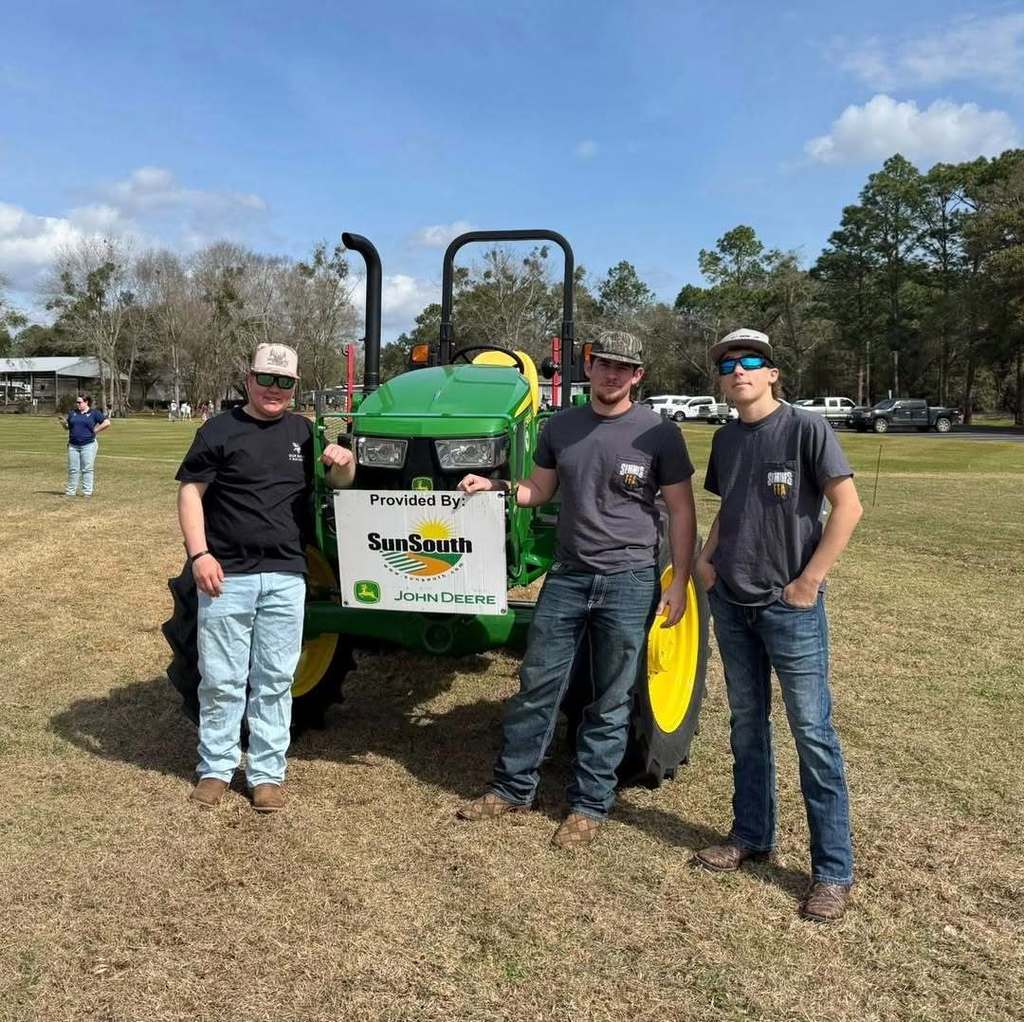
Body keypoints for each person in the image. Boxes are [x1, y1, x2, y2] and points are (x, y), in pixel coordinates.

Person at [456, 330, 697, 848]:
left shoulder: (659, 434)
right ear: (590, 368)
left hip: (630, 579)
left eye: (623, 368)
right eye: (603, 363)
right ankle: (513, 787)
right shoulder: (561, 428)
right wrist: (495, 486)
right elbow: (539, 490)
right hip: (567, 576)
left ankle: (589, 804)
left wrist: (677, 581)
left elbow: (681, 509)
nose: (611, 374)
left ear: (638, 377)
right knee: (537, 684)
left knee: (611, 698)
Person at [693, 327, 863, 923]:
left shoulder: (807, 428)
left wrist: (809, 581)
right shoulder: (725, 440)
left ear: (772, 374)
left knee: (812, 733)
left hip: (789, 609)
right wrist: (704, 561)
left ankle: (832, 872)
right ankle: (751, 836)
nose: (738, 370)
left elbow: (848, 506)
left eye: (751, 361)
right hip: (732, 604)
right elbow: (729, 508)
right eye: (728, 364)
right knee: (746, 725)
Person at [175, 343, 355, 813]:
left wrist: (344, 460)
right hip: (227, 573)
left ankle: (266, 773)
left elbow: (339, 484)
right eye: (266, 379)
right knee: (221, 678)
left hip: (286, 576)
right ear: (249, 379)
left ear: (295, 386)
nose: (274, 390)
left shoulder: (304, 432)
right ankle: (215, 768)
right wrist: (200, 555)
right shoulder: (218, 430)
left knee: (275, 678)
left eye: (285, 382)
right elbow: (191, 493)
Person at [58, 393, 110, 497]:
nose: (77, 404)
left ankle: (87, 493)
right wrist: (64, 423)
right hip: (73, 445)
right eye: (77, 402)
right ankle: (70, 492)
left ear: (86, 402)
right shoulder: (73, 413)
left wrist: (95, 430)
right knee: (73, 469)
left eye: (79, 402)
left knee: (87, 469)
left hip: (88, 445)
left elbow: (107, 422)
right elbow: (68, 427)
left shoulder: (94, 413)